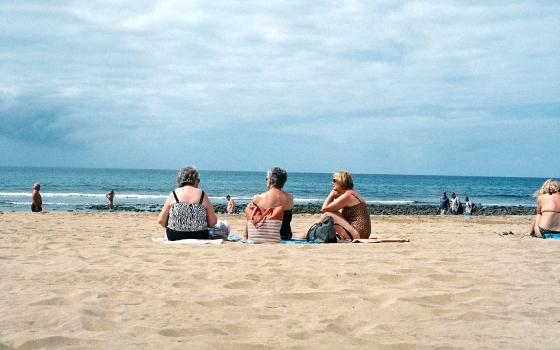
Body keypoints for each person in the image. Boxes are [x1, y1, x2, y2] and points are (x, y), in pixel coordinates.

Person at [158, 166, 218, 241]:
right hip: (200, 235)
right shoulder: (202, 194)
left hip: (174, 235)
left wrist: (175, 225)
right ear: (195, 180)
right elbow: (213, 222)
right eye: (198, 180)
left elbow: (161, 220)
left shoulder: (174, 194)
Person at [319, 170, 371, 240]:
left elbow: (324, 209)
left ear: (341, 181)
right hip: (362, 234)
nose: (332, 183)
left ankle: (307, 235)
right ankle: (310, 234)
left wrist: (331, 195)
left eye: (334, 180)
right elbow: (330, 209)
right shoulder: (351, 193)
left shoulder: (348, 196)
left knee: (327, 215)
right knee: (332, 213)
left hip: (358, 235)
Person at [246, 167, 294, 240]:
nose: (266, 181)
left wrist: (245, 236)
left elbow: (250, 220)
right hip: (286, 236)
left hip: (265, 236)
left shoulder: (259, 198)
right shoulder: (290, 198)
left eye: (266, 179)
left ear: (270, 181)